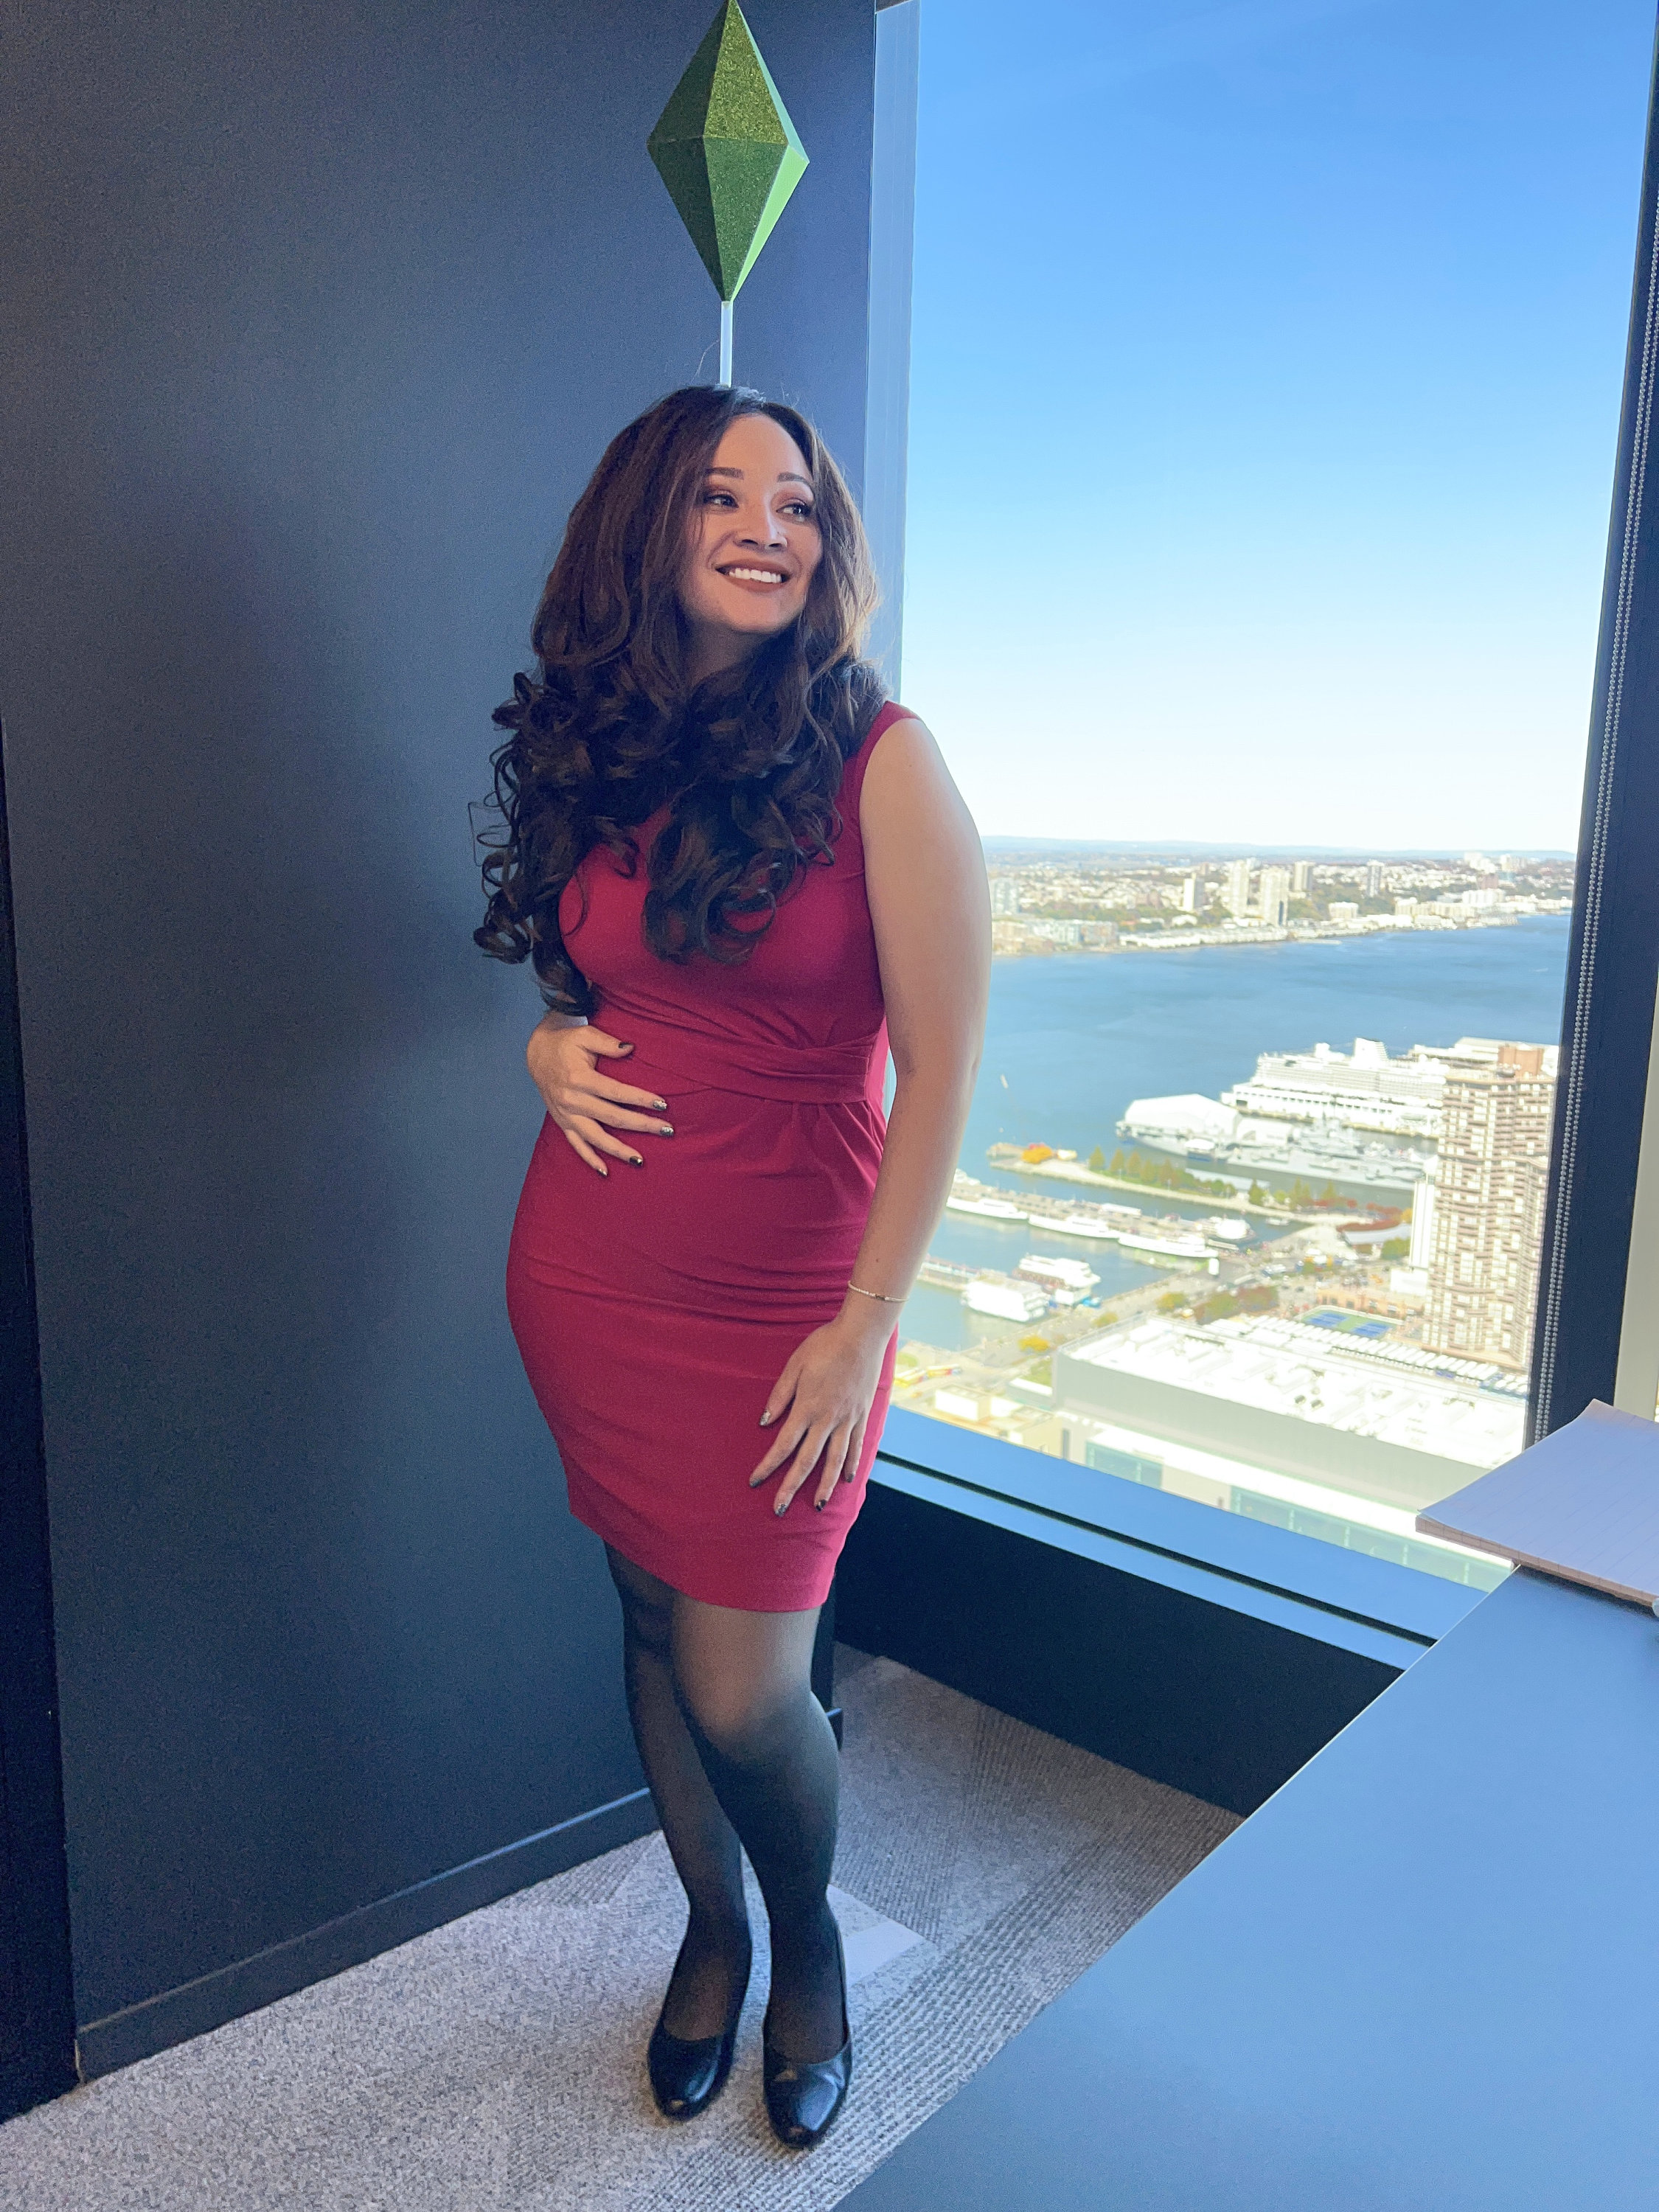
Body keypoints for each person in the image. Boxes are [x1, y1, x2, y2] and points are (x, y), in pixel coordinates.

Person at [476, 384, 989, 2149]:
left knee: (747, 1683)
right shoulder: (608, 742)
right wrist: (543, 1046)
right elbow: (584, 980)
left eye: (799, 501)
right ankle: (708, 1927)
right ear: (650, 527)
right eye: (722, 495)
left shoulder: (883, 757)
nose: (771, 525)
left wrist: (867, 1327)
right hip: (591, 1273)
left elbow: (944, 1067)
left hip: (795, 1304)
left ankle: (807, 1941)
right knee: (646, 1614)